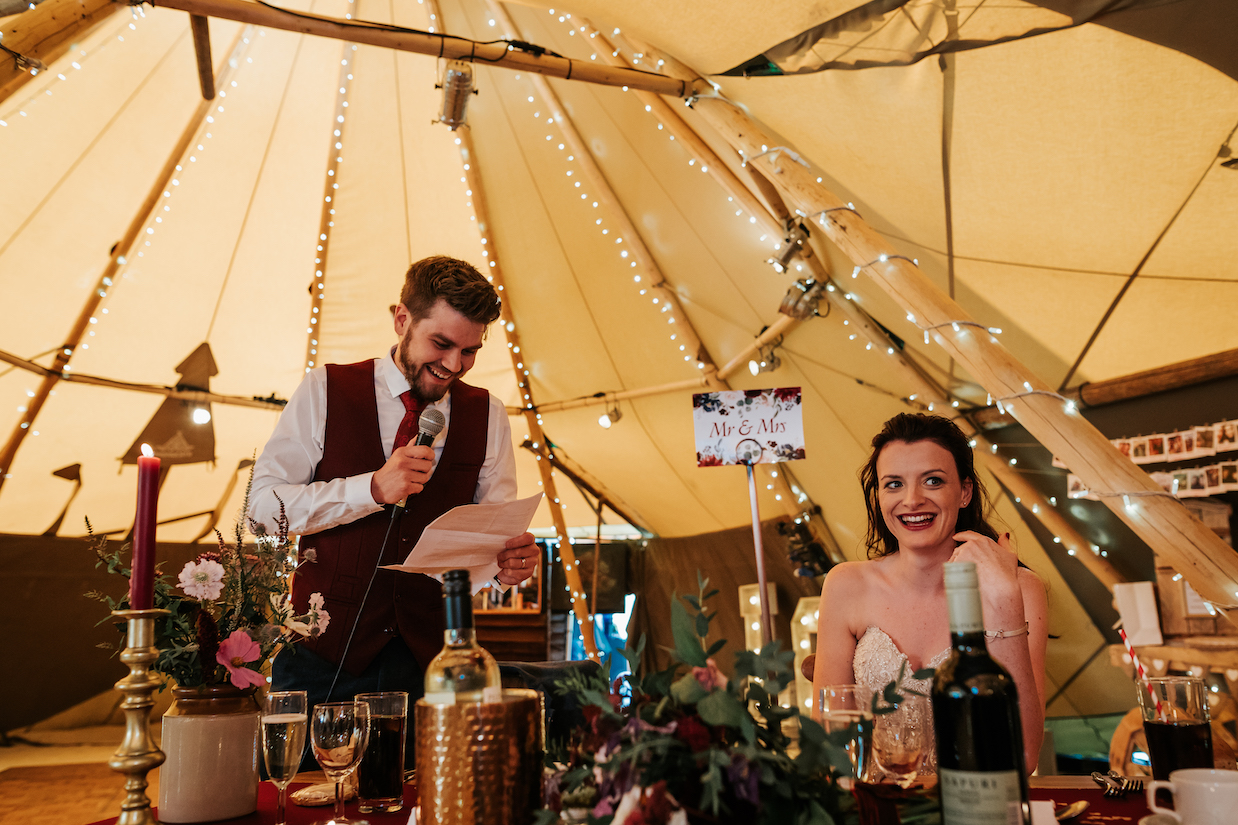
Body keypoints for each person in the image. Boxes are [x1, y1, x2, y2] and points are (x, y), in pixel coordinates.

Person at [248, 255, 539, 763]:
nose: (454, 365)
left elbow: (489, 538)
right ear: (402, 319)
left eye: (470, 351)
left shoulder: (488, 415)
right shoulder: (325, 390)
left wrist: (506, 565)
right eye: (442, 344)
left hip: (431, 665)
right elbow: (260, 510)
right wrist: (372, 490)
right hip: (322, 657)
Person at [811, 413, 1047, 777]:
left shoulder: (1019, 588)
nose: (912, 500)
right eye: (893, 485)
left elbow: (1023, 755)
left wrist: (1002, 597)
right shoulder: (845, 585)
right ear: (878, 496)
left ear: (964, 491)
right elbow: (829, 745)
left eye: (933, 481)